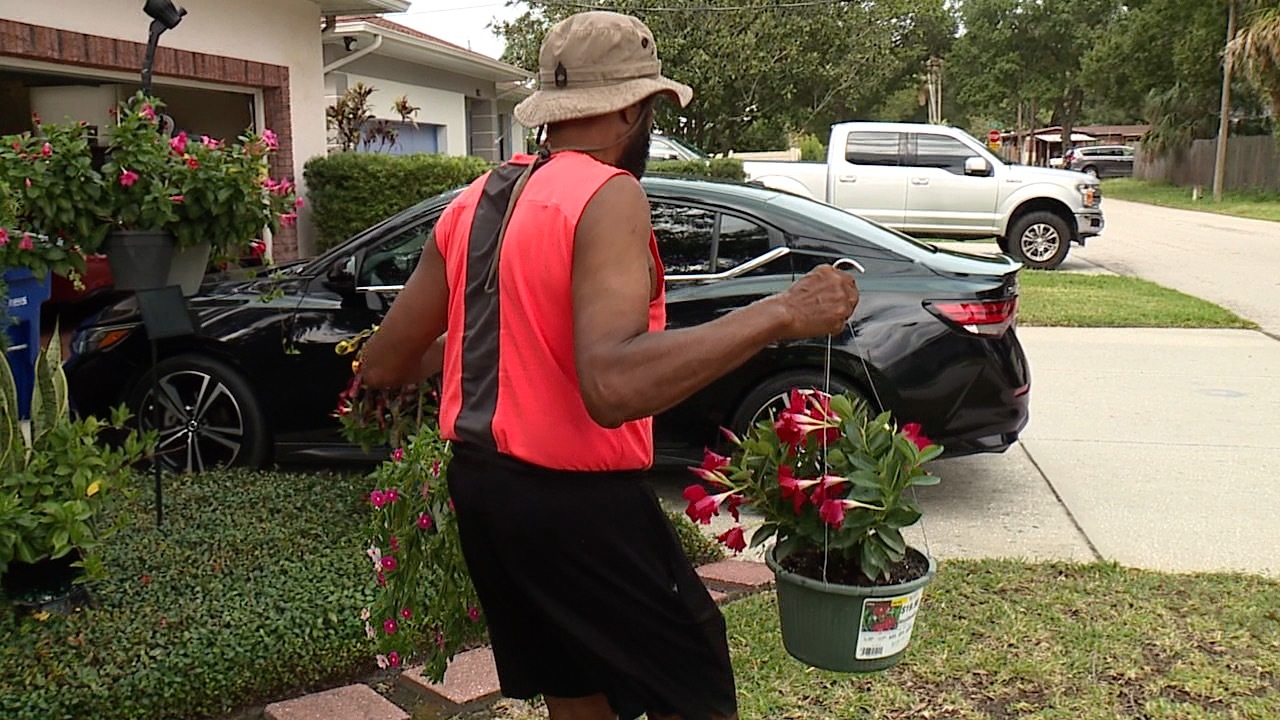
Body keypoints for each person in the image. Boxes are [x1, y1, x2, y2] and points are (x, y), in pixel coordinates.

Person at [360, 11, 859, 720]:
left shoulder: (476, 199)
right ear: (630, 107)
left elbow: (384, 362)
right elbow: (612, 386)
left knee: (575, 684)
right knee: (694, 682)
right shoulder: (607, 193)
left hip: (484, 493)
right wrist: (784, 312)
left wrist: (491, 351)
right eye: (653, 107)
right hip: (577, 507)